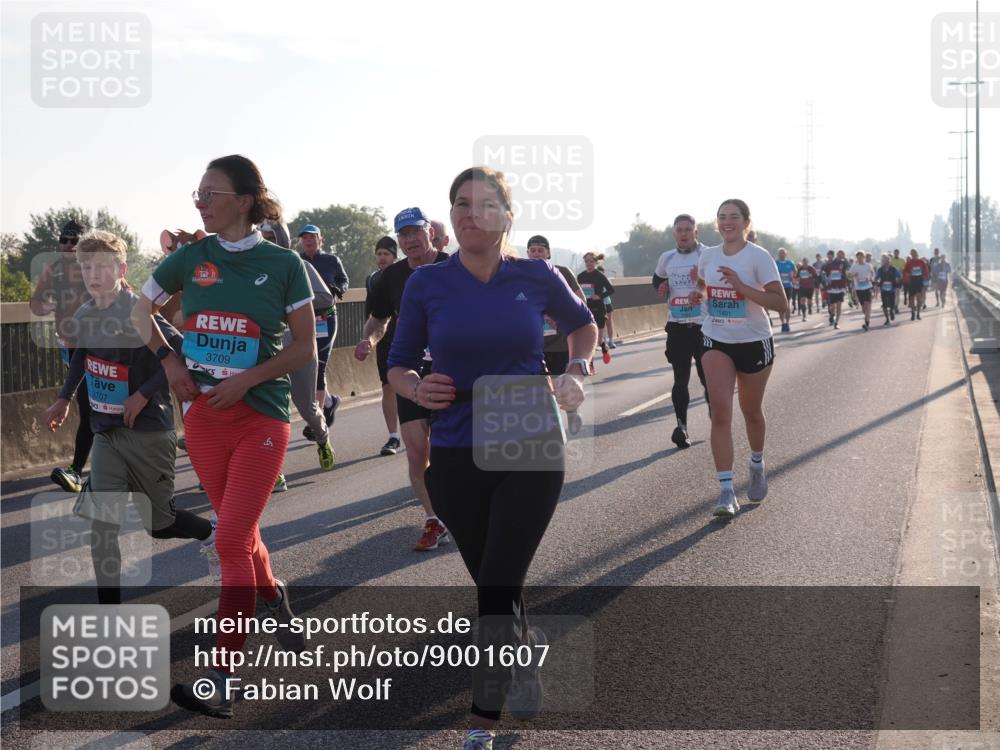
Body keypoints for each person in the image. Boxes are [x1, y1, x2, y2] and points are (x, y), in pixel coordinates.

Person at [388, 166, 596, 750]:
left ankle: (482, 720)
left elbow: (583, 327)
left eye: (482, 204)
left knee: (495, 585)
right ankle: (522, 651)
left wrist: (576, 369)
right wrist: (413, 388)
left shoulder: (536, 275)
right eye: (459, 203)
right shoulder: (426, 283)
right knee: (492, 575)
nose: (467, 214)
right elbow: (400, 361)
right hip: (454, 445)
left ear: (508, 215)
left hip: (525, 427)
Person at [134, 154, 313, 718]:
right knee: (242, 533)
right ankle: (273, 593)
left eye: (210, 193)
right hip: (205, 420)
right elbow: (142, 309)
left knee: (231, 540)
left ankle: (222, 675)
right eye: (197, 193)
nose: (199, 202)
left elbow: (303, 348)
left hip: (260, 416)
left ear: (243, 200)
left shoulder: (284, 263)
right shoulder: (191, 257)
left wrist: (248, 380)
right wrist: (168, 359)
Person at [43, 230, 216, 604]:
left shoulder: (138, 310)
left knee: (160, 523)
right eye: (86, 267)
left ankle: (211, 533)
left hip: (149, 430)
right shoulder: (86, 313)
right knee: (102, 526)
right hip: (107, 432)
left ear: (121, 269)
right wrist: (64, 399)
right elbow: (79, 359)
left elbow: (181, 351)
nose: (93, 274)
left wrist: (141, 394)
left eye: (102, 267)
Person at [356, 207, 450, 551]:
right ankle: (434, 519)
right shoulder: (390, 278)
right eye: (403, 235)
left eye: (415, 232)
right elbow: (378, 319)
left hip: (450, 369)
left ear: (431, 233)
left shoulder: (454, 266)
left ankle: (460, 507)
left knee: (449, 450)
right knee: (416, 451)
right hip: (410, 371)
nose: (409, 240)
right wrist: (369, 339)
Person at [689, 199, 785, 519]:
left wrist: (743, 288)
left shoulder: (759, 257)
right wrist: (698, 294)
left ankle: (756, 464)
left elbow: (780, 303)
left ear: (745, 222)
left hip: (754, 341)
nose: (727, 221)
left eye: (734, 217)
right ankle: (726, 491)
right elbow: (704, 283)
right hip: (716, 338)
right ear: (717, 224)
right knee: (720, 411)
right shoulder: (708, 255)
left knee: (751, 411)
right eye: (722, 217)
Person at [259, 220, 336, 485]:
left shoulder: (299, 265)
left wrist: (294, 301)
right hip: (267, 350)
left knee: (307, 407)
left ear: (280, 237)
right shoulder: (252, 270)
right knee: (271, 410)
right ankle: (273, 469)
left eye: (270, 236)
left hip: (299, 346)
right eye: (261, 235)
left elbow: (326, 299)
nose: (264, 240)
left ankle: (323, 439)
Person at [30, 219, 94, 494]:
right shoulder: (54, 270)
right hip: (70, 347)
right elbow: (37, 304)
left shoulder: (95, 269)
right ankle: (80, 471)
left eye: (74, 240)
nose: (68, 245)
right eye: (64, 240)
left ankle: (78, 471)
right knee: (87, 407)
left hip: (98, 344)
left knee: (93, 407)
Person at [652, 213, 709, 449]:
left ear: (695, 232)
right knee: (680, 379)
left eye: (688, 229)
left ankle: (718, 422)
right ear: (674, 233)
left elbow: (722, 284)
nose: (683, 234)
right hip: (677, 326)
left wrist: (702, 280)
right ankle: (682, 427)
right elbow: (656, 280)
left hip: (705, 327)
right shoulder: (667, 258)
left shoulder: (707, 254)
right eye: (679, 230)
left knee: (709, 380)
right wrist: (661, 286)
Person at [297, 224, 348, 430]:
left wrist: (338, 289)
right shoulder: (296, 260)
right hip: (303, 319)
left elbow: (344, 280)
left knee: (318, 366)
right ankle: (329, 402)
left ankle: (314, 421)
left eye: (312, 237)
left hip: (325, 318)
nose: (308, 240)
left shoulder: (331, 260)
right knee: (307, 366)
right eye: (305, 237)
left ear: (320, 240)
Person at [527, 234, 586, 377]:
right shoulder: (520, 275)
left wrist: (559, 317)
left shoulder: (563, 272)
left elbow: (581, 302)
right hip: (532, 346)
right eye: (533, 250)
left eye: (540, 250)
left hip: (560, 345)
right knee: (537, 391)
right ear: (528, 253)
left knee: (558, 387)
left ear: (548, 253)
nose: (536, 254)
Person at [363, 236, 402, 455]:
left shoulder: (406, 275)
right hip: (384, 341)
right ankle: (393, 437)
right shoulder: (373, 280)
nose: (382, 257)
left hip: (408, 339)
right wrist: (366, 340)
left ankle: (424, 432)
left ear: (394, 256)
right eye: (379, 254)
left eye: (386, 253)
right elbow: (371, 314)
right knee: (387, 387)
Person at [577, 252, 615, 364]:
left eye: (591, 261)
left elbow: (611, 290)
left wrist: (599, 296)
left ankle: (604, 348)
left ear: (595, 262)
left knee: (598, 339)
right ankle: (590, 364)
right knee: (588, 339)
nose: (589, 264)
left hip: (598, 309)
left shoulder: (600, 276)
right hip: (586, 308)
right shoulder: (580, 276)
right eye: (587, 261)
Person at [848, 250, 875, 331]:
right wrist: (853, 275)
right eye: (858, 257)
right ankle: (867, 318)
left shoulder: (868, 265)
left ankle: (866, 323)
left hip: (867, 287)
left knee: (867, 305)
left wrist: (869, 278)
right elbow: (849, 275)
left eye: (861, 257)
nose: (859, 259)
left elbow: (872, 273)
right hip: (859, 288)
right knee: (863, 308)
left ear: (864, 257)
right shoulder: (854, 266)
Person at [822, 250, 849, 329]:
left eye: (842, 256)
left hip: (840, 288)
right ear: (836, 255)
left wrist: (845, 258)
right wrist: (826, 281)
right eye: (839, 255)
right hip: (832, 288)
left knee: (839, 305)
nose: (840, 257)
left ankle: (836, 322)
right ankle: (832, 315)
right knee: (833, 306)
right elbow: (824, 273)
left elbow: (849, 267)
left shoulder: (844, 263)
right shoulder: (830, 264)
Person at [903, 249, 929, 321]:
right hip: (912, 281)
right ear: (911, 254)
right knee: (911, 298)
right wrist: (907, 274)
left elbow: (926, 270)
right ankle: (912, 313)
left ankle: (918, 314)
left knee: (919, 298)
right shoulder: (909, 263)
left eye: (914, 253)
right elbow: (905, 271)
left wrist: (925, 276)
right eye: (912, 253)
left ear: (917, 254)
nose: (913, 255)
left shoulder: (921, 262)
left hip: (919, 280)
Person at [875, 254, 901, 325]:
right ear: (882, 261)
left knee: (892, 304)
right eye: (884, 260)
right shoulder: (880, 269)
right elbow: (877, 277)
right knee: (884, 305)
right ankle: (887, 319)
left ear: (890, 261)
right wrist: (877, 281)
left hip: (892, 289)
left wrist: (897, 280)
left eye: (887, 260)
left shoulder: (893, 269)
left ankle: (892, 311)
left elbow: (899, 276)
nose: (886, 262)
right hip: (883, 289)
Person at [775, 248, 795, 333]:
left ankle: (787, 323)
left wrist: (792, 275)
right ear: (778, 254)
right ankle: (782, 323)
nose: (781, 254)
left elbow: (795, 271)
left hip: (788, 286)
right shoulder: (776, 263)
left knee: (787, 304)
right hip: (779, 286)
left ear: (786, 254)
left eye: (783, 253)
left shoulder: (790, 263)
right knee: (780, 305)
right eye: (780, 253)